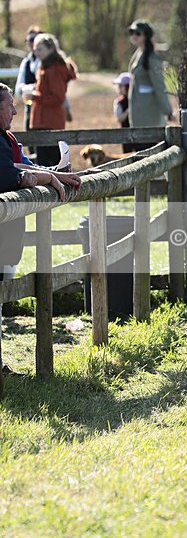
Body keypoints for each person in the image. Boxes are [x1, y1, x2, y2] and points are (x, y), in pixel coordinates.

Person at [0, 83, 81, 375]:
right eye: (9, 104)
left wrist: (52, 173)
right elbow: (9, 176)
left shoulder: (6, 138)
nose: (15, 109)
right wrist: (46, 177)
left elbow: (22, 166)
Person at [29, 33, 78, 167]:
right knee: (48, 163)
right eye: (35, 48)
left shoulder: (54, 69)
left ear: (50, 49)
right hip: (45, 121)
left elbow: (57, 98)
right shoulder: (47, 66)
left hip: (49, 122)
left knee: (50, 164)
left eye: (40, 49)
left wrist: (34, 96)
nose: (35, 52)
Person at [127, 20, 174, 150]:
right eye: (131, 32)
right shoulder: (139, 53)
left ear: (146, 36)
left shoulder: (152, 57)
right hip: (139, 115)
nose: (134, 36)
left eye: (138, 33)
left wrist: (168, 111)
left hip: (150, 117)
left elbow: (159, 86)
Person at [14, 24, 41, 133]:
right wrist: (28, 89)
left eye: (35, 39)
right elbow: (18, 89)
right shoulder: (26, 62)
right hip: (30, 110)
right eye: (29, 39)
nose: (32, 42)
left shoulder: (48, 62)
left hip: (47, 111)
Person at [112, 71, 132, 153]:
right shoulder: (119, 102)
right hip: (125, 134)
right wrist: (128, 111)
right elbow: (119, 119)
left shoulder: (136, 100)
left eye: (121, 86)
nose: (118, 88)